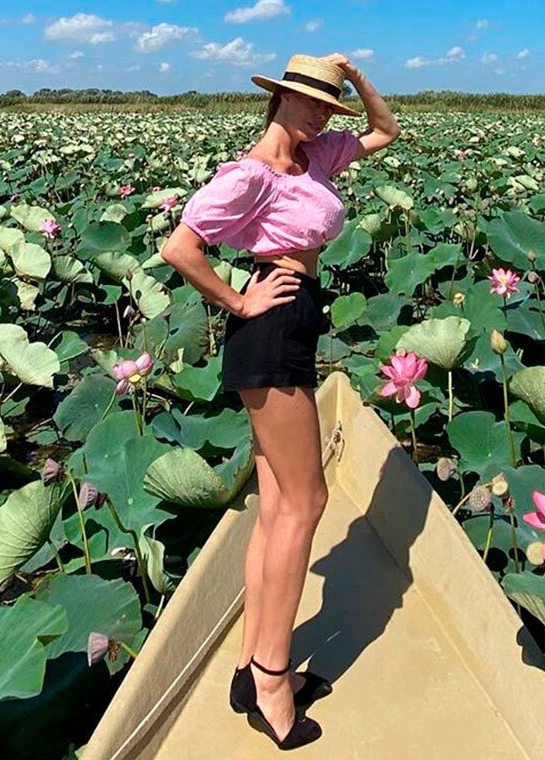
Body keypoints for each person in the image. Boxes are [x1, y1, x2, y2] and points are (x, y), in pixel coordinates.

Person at [160, 52, 400, 750]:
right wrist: (238, 298)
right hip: (269, 323)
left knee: (276, 507)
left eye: (329, 105)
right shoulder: (250, 174)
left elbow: (385, 130)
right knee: (306, 503)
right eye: (311, 101)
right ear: (279, 100)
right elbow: (181, 247)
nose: (323, 114)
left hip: (293, 320)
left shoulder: (315, 157)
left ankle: (247, 666)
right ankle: (271, 680)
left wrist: (355, 81)